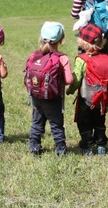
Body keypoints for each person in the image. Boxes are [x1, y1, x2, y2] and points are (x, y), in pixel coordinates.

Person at [67, 24, 108, 156]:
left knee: (84, 122)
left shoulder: (82, 60)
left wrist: (70, 90)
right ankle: (101, 145)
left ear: (83, 43)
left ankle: (87, 146)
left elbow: (76, 79)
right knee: (100, 121)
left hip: (86, 98)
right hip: (102, 99)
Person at [26, 21, 73, 156]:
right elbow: (69, 80)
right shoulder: (62, 58)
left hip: (36, 96)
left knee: (36, 123)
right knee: (56, 124)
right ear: (61, 39)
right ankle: (60, 150)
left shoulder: (34, 55)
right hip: (53, 98)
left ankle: (34, 147)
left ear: (41, 37)